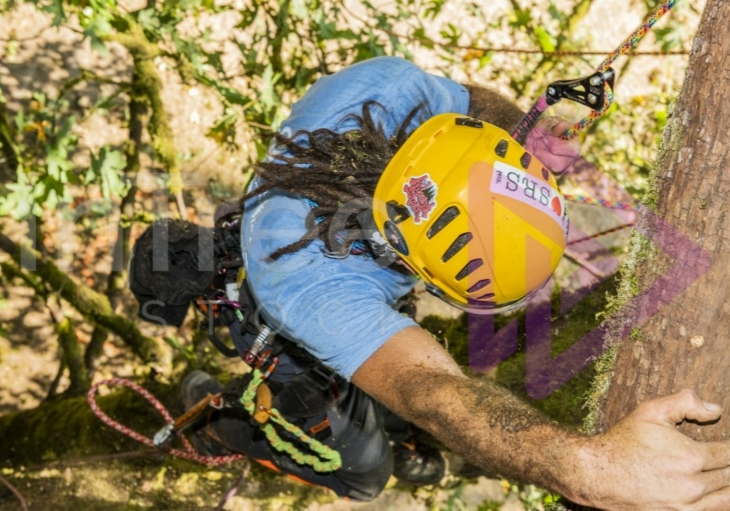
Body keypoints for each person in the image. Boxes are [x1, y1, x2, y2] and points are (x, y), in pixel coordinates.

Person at [131, 56, 730, 509]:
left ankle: (381, 423)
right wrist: (587, 468)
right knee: (363, 475)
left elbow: (476, 108)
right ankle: (218, 425)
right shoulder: (312, 290)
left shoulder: (388, 93)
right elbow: (428, 389)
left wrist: (525, 143)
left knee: (384, 397)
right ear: (405, 256)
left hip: (318, 244)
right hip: (277, 313)